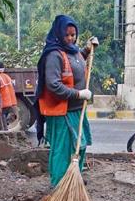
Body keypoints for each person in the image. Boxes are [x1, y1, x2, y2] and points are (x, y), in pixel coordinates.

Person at [36, 15, 98, 187]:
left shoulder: (73, 51)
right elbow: (53, 85)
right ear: (58, 34)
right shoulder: (54, 55)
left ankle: (73, 179)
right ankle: (59, 185)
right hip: (62, 111)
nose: (71, 38)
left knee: (80, 147)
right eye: (67, 35)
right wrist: (78, 94)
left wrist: (87, 50)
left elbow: (76, 64)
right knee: (63, 151)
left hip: (77, 111)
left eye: (73, 35)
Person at [0, 61, 17, 130]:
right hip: (10, 103)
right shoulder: (7, 76)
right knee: (4, 122)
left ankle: (2, 137)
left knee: (1, 124)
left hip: (2, 104)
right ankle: (5, 133)